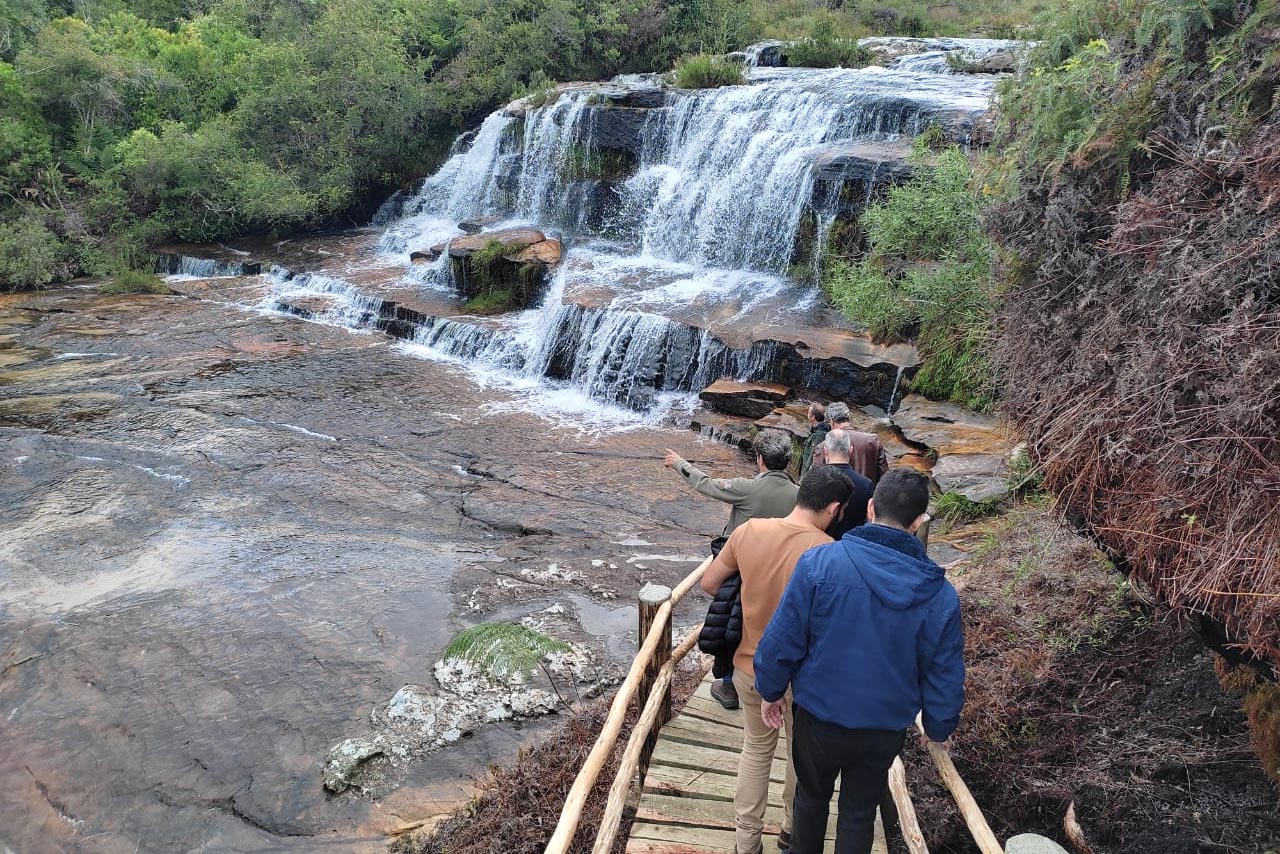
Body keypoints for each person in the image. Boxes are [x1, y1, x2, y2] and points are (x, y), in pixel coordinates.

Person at [754, 469, 965, 854]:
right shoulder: (940, 595)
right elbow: (944, 672)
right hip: (883, 727)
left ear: (870, 508)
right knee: (859, 811)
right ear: (918, 523)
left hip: (818, 715)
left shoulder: (819, 563)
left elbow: (783, 637)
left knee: (811, 798)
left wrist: (770, 690)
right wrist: (939, 725)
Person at [700, 467, 854, 854]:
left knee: (755, 750)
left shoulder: (749, 532)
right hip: (803, 678)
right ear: (835, 508)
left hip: (749, 667)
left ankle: (746, 842)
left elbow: (709, 583)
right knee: (798, 755)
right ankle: (790, 830)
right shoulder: (829, 553)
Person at [664, 428, 798, 710]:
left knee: (730, 626)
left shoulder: (749, 489)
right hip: (781, 573)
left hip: (741, 570)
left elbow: (707, 484)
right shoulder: (799, 495)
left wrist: (679, 464)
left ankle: (728, 685)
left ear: (760, 459)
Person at [813, 402, 889, 484]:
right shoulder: (872, 441)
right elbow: (884, 477)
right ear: (848, 417)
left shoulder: (823, 446)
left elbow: (815, 480)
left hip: (836, 496)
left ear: (831, 421)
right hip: (868, 494)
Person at [819, 429, 874, 541]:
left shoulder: (814, 480)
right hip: (854, 546)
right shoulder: (866, 484)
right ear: (851, 450)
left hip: (818, 546)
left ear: (825, 450)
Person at [797, 402, 829, 477]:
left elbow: (812, 458)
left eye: (808, 413)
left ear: (813, 417)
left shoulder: (819, 436)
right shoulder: (816, 430)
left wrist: (803, 477)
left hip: (808, 476)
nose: (807, 415)